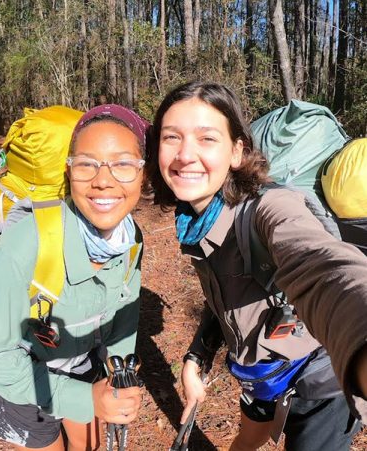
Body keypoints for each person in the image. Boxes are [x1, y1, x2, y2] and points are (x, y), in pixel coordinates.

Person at [147, 81, 367, 450]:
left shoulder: (270, 209)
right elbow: (225, 299)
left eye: (206, 139)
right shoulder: (196, 221)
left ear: (237, 151)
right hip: (261, 376)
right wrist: (196, 356)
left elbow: (323, 267)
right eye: (172, 137)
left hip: (320, 383)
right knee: (247, 441)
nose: (185, 154)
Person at [0, 104, 149, 450]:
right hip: (22, 383)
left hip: (81, 362)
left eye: (124, 164)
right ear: (69, 172)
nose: (103, 180)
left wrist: (120, 372)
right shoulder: (23, 246)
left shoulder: (131, 238)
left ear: (144, 173)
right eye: (86, 164)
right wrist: (86, 399)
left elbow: (126, 310)